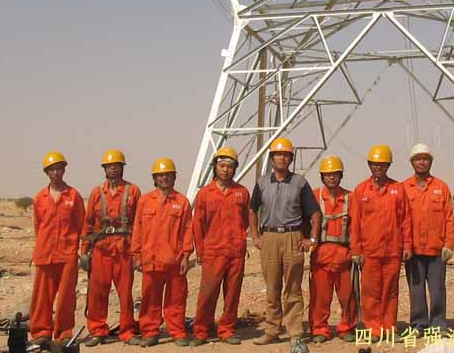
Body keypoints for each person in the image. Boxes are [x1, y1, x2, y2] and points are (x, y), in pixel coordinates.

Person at [249, 137, 322, 348]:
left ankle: (295, 332)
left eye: (285, 155)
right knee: (272, 287)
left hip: (293, 237)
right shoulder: (262, 183)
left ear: (291, 159)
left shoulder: (300, 183)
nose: (281, 158)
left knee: (293, 288)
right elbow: (252, 210)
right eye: (278, 154)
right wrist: (255, 236)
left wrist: (312, 238)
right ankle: (272, 330)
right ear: (272, 158)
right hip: (269, 237)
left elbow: (315, 213)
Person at [80, 149, 142, 347]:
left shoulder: (133, 191)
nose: (113, 169)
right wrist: (84, 251)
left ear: (122, 168)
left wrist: (138, 252)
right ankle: (98, 330)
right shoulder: (97, 193)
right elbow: (88, 223)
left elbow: (140, 223)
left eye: (116, 165)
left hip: (124, 250)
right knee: (97, 293)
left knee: (125, 294)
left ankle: (127, 331)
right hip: (101, 250)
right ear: (104, 169)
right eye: (109, 166)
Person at [350, 144, 413, 340]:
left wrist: (407, 245)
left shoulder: (398, 189)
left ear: (388, 166)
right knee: (370, 292)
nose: (378, 167)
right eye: (375, 164)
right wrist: (356, 250)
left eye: (383, 164)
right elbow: (355, 223)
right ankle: (374, 329)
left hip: (392, 250)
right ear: (369, 165)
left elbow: (405, 219)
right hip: (370, 252)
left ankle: (389, 328)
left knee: (390, 291)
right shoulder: (361, 190)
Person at [131, 158, 194, 348]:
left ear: (174, 177)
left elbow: (188, 230)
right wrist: (136, 255)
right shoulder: (145, 201)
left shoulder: (182, 202)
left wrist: (186, 256)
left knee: (176, 299)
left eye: (168, 175)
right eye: (160, 175)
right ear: (154, 178)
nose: (164, 178)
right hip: (150, 259)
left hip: (174, 261)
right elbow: (137, 229)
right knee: (150, 299)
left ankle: (177, 331)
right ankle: (150, 332)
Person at [190, 147, 250, 346]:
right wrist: (200, 251)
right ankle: (201, 330)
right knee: (208, 293)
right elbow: (198, 224)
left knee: (232, 294)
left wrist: (238, 239)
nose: (225, 169)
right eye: (222, 165)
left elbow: (245, 220)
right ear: (215, 167)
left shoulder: (242, 192)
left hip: (235, 252)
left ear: (235, 169)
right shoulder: (205, 194)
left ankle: (227, 329)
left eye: (229, 166)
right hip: (213, 251)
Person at [29, 151, 86, 348]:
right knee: (41, 297)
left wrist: (81, 250)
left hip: (67, 253)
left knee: (66, 297)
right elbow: (38, 226)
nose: (56, 172)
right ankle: (41, 332)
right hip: (45, 254)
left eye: (59, 168)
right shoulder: (40, 198)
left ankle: (64, 333)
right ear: (47, 172)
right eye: (52, 169)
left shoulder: (74, 196)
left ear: (64, 170)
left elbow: (81, 225)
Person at [403, 143, 454, 336]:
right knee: (416, 291)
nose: (422, 162)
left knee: (437, 289)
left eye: (425, 158)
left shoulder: (441, 187)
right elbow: (401, 220)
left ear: (430, 162)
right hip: (413, 251)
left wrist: (448, 244)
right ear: (412, 162)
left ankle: (438, 324)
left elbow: (449, 218)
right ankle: (418, 324)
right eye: (418, 159)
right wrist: (404, 245)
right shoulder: (404, 188)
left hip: (436, 250)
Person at [308, 155, 358, 343]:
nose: (331, 178)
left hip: (344, 256)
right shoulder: (314, 196)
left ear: (341, 176)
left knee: (348, 296)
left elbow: (357, 226)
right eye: (328, 175)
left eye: (335, 174)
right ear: (322, 176)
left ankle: (347, 327)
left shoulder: (350, 198)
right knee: (320, 297)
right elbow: (304, 220)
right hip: (321, 256)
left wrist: (356, 251)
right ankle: (319, 329)